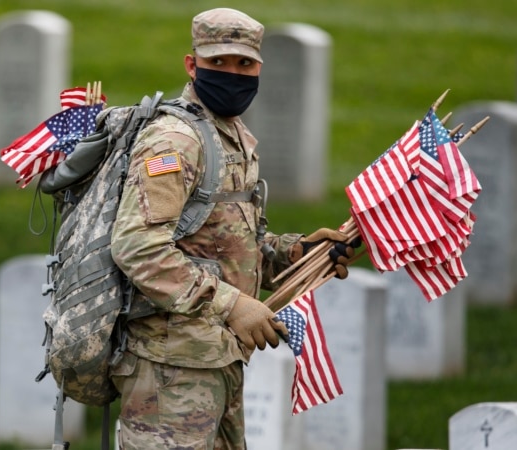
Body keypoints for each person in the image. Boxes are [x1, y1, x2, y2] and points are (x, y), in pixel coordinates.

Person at [109, 8, 353, 449]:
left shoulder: (230, 134)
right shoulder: (175, 141)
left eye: (244, 64)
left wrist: (296, 254)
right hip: (170, 370)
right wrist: (231, 304)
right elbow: (137, 246)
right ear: (192, 65)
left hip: (216, 358)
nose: (232, 74)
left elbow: (221, 244)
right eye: (218, 62)